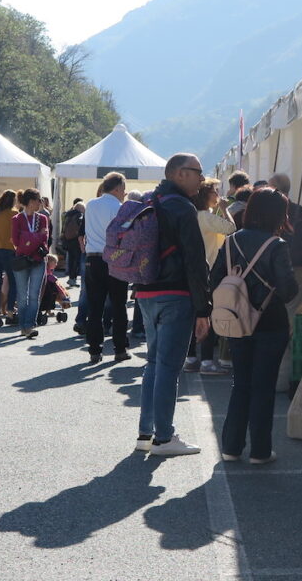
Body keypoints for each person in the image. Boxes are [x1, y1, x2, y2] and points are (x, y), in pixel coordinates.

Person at [211, 188, 299, 464]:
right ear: (277, 214)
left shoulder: (231, 241)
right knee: (263, 386)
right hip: (270, 322)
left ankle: (231, 446)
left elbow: (214, 280)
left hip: (236, 321)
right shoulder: (277, 245)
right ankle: (260, 450)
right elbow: (288, 291)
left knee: (241, 384)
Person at [134, 153, 211, 456]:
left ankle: (146, 433)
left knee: (153, 363)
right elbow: (195, 260)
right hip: (175, 294)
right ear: (179, 174)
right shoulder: (181, 206)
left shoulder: (151, 200)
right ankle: (165, 438)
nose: (201, 178)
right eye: (197, 172)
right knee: (168, 366)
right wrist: (203, 308)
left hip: (145, 291)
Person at [185, 178, 237, 375]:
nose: (218, 195)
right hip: (210, 270)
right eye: (215, 191)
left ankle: (190, 357)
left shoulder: (192, 215)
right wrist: (225, 209)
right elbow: (231, 229)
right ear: (206, 195)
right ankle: (206, 361)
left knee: (194, 315)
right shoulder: (205, 217)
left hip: (192, 269)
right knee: (208, 314)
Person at [84, 172, 129, 364]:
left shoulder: (91, 204)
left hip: (93, 258)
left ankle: (95, 349)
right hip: (114, 258)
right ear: (118, 188)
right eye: (123, 190)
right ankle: (120, 349)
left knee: (95, 307)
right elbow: (125, 235)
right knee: (119, 305)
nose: (124, 194)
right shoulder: (119, 208)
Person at [11, 187, 50, 339]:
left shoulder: (43, 219)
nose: (40, 203)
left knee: (34, 295)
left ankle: (29, 325)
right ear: (29, 202)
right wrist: (35, 237)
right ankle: (23, 325)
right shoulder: (17, 219)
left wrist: (27, 237)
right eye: (37, 200)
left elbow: (45, 238)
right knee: (22, 296)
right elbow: (15, 241)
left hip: (38, 260)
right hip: (22, 260)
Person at [268, 173, 302, 301]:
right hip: (298, 264)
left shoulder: (270, 210)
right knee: (294, 304)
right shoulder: (301, 210)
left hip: (276, 264)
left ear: (274, 188)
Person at [0, 190, 19, 327]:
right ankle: (10, 312)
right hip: (8, 250)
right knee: (13, 282)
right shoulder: (14, 214)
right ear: (13, 201)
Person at [60, 199, 85, 287]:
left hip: (67, 240)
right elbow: (81, 229)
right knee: (76, 260)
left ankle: (71, 278)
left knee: (71, 259)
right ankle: (73, 279)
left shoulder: (68, 214)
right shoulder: (79, 215)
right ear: (81, 208)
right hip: (76, 240)